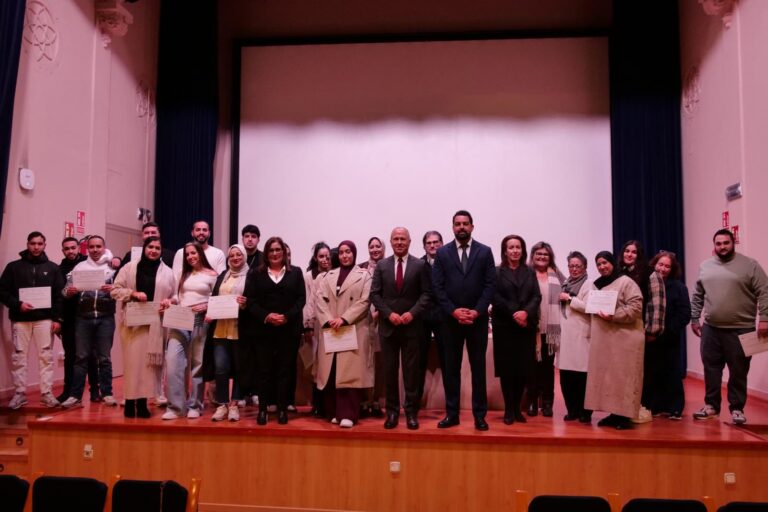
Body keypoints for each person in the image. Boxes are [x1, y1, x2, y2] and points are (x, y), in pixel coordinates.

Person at [691, 229, 768, 425]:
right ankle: (711, 406)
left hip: (742, 329)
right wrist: (694, 318)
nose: (722, 247)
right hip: (711, 328)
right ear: (714, 245)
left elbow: (764, 292)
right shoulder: (705, 266)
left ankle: (737, 409)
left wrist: (765, 318)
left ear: (733, 243)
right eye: (718, 243)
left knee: (739, 371)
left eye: (726, 243)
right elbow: (698, 295)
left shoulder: (750, 265)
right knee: (711, 369)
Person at [432, 210, 496, 431]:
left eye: (465, 224)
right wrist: (453, 311)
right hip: (450, 321)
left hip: (477, 321)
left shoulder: (485, 252)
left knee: (479, 370)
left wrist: (477, 311)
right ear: (452, 227)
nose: (461, 227)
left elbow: (490, 285)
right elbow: (437, 287)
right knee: (452, 370)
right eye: (457, 224)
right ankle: (452, 414)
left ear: (472, 226)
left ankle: (480, 415)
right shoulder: (442, 253)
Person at [370, 227, 431, 430]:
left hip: (412, 328)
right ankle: (393, 413)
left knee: (411, 373)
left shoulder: (420, 265)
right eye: (395, 239)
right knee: (389, 372)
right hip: (388, 328)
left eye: (402, 239)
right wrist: (389, 314)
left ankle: (411, 413)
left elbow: (426, 294)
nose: (399, 242)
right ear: (391, 241)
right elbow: (375, 295)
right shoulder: (382, 266)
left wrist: (412, 313)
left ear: (409, 241)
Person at [111, 236, 175, 418]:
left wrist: (168, 301)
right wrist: (133, 293)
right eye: (150, 247)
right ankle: (130, 402)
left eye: (157, 248)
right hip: (133, 325)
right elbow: (115, 289)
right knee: (133, 365)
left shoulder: (168, 272)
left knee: (148, 367)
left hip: (155, 325)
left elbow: (175, 295)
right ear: (144, 248)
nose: (153, 251)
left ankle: (143, 402)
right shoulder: (129, 268)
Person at [244, 237, 305, 425]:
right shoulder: (255, 274)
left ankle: (281, 409)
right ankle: (262, 409)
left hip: (288, 330)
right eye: (271, 250)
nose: (275, 253)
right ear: (266, 253)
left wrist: (286, 316)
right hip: (263, 330)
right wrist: (267, 316)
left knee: (284, 371)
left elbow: (300, 299)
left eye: (278, 250)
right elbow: (250, 301)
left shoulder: (296, 273)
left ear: (284, 252)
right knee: (264, 371)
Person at [0, 231, 64, 409]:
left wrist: (57, 319)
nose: (36, 247)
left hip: (44, 320)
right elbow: (2, 291)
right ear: (27, 244)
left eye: (39, 244)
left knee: (46, 357)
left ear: (45, 245)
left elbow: (59, 296)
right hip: (20, 319)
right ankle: (20, 393)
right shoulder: (14, 267)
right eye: (33, 243)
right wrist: (17, 304)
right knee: (19, 357)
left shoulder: (53, 268)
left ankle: (46, 393)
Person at [315, 241, 373, 428]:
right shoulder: (328, 276)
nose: (344, 255)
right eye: (341, 252)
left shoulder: (364, 275)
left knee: (348, 374)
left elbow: (364, 302)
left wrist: (344, 318)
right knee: (332, 373)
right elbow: (319, 300)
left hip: (351, 328)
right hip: (332, 329)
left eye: (348, 252)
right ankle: (334, 412)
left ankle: (348, 414)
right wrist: (330, 319)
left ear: (354, 254)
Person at [584, 251, 644, 430]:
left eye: (605, 263)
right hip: (607, 340)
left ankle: (624, 417)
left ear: (612, 262)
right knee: (610, 379)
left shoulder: (626, 281)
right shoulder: (597, 285)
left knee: (624, 378)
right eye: (599, 264)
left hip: (625, 339)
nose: (602, 267)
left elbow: (635, 307)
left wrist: (614, 315)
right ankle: (613, 414)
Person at [163, 242, 218, 420]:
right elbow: (178, 297)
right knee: (173, 363)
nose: (190, 257)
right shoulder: (183, 274)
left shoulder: (212, 275)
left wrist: (206, 305)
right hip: (180, 318)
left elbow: (218, 300)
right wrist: (169, 301)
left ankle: (195, 404)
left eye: (193, 253)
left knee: (198, 364)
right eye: (187, 254)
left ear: (200, 253)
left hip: (200, 321)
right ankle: (176, 407)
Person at [61, 235, 118, 408]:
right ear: (87, 248)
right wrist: (69, 292)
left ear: (104, 247)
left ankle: (107, 393)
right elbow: (64, 291)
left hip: (105, 317)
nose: (95, 250)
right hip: (83, 318)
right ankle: (75, 396)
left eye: (98, 246)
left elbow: (123, 288)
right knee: (81, 358)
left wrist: (113, 289)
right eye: (91, 247)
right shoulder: (79, 267)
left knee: (104, 358)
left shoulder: (113, 268)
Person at [491, 235, 541, 425]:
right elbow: (495, 297)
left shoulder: (529, 272)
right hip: (505, 326)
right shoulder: (496, 272)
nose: (514, 251)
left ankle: (518, 409)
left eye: (518, 247)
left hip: (525, 327)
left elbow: (536, 296)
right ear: (505, 250)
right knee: (507, 370)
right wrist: (515, 314)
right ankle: (509, 409)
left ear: (522, 250)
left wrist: (526, 313)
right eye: (511, 247)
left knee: (522, 369)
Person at [619, 239, 666, 423]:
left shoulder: (651, 274)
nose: (629, 255)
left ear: (639, 255)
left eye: (634, 252)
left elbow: (657, 303)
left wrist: (652, 330)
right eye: (626, 251)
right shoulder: (619, 273)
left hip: (640, 330)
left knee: (642, 371)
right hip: (620, 331)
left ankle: (642, 407)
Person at [201, 244, 249, 422]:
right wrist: (211, 313)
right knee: (220, 368)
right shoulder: (223, 276)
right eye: (232, 256)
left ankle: (234, 404)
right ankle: (222, 404)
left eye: (238, 255)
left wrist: (246, 303)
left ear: (243, 256)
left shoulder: (251, 276)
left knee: (238, 369)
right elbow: (215, 298)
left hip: (240, 330)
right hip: (220, 330)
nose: (235, 258)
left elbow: (255, 301)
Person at [645, 251, 690, 420]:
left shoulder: (679, 287)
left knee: (672, 373)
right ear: (654, 264)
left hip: (669, 338)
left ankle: (675, 408)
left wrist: (665, 331)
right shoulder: (646, 284)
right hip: (649, 338)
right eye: (660, 264)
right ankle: (654, 406)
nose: (662, 269)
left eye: (667, 266)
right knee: (652, 374)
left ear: (672, 269)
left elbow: (684, 313)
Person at [57, 236, 99, 404]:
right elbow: (58, 296)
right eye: (67, 249)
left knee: (91, 355)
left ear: (79, 248)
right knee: (71, 356)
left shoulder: (89, 264)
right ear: (63, 251)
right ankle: (69, 391)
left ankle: (95, 390)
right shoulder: (58, 269)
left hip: (88, 317)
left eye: (73, 248)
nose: (70, 251)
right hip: (68, 319)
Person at [526, 241, 565, 418]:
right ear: (532, 256)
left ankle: (547, 403)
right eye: (538, 254)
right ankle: (533, 401)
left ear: (550, 257)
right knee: (532, 367)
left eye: (545, 255)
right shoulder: (526, 273)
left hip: (550, 330)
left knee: (548, 368)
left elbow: (568, 291)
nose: (542, 257)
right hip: (530, 327)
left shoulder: (557, 274)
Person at [556, 251, 593, 423]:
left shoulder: (589, 284)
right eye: (571, 266)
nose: (574, 269)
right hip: (565, 338)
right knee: (566, 377)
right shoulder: (565, 283)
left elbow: (590, 307)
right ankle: (572, 410)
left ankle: (585, 412)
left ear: (585, 267)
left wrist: (570, 299)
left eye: (578, 266)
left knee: (582, 377)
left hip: (581, 336)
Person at [303, 242, 332, 417]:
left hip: (332, 326)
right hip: (315, 326)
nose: (325, 260)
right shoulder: (309, 277)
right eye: (321, 256)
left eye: (328, 256)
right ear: (316, 258)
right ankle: (317, 404)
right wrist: (307, 324)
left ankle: (329, 404)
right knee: (316, 365)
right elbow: (309, 302)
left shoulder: (336, 274)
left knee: (329, 364)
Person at [359, 236, 386, 419]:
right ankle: (363, 401)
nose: (375, 249)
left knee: (379, 364)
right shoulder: (360, 268)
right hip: (363, 320)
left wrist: (379, 313)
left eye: (378, 246)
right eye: (372, 246)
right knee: (363, 362)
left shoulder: (389, 266)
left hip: (382, 321)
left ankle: (376, 401)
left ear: (383, 248)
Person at [418, 230, 445, 402]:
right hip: (422, 318)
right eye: (429, 243)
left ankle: (450, 404)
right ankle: (415, 402)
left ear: (442, 244)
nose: (433, 245)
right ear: (424, 246)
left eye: (436, 242)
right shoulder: (418, 265)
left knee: (447, 361)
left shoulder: (450, 263)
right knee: (419, 361)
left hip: (444, 317)